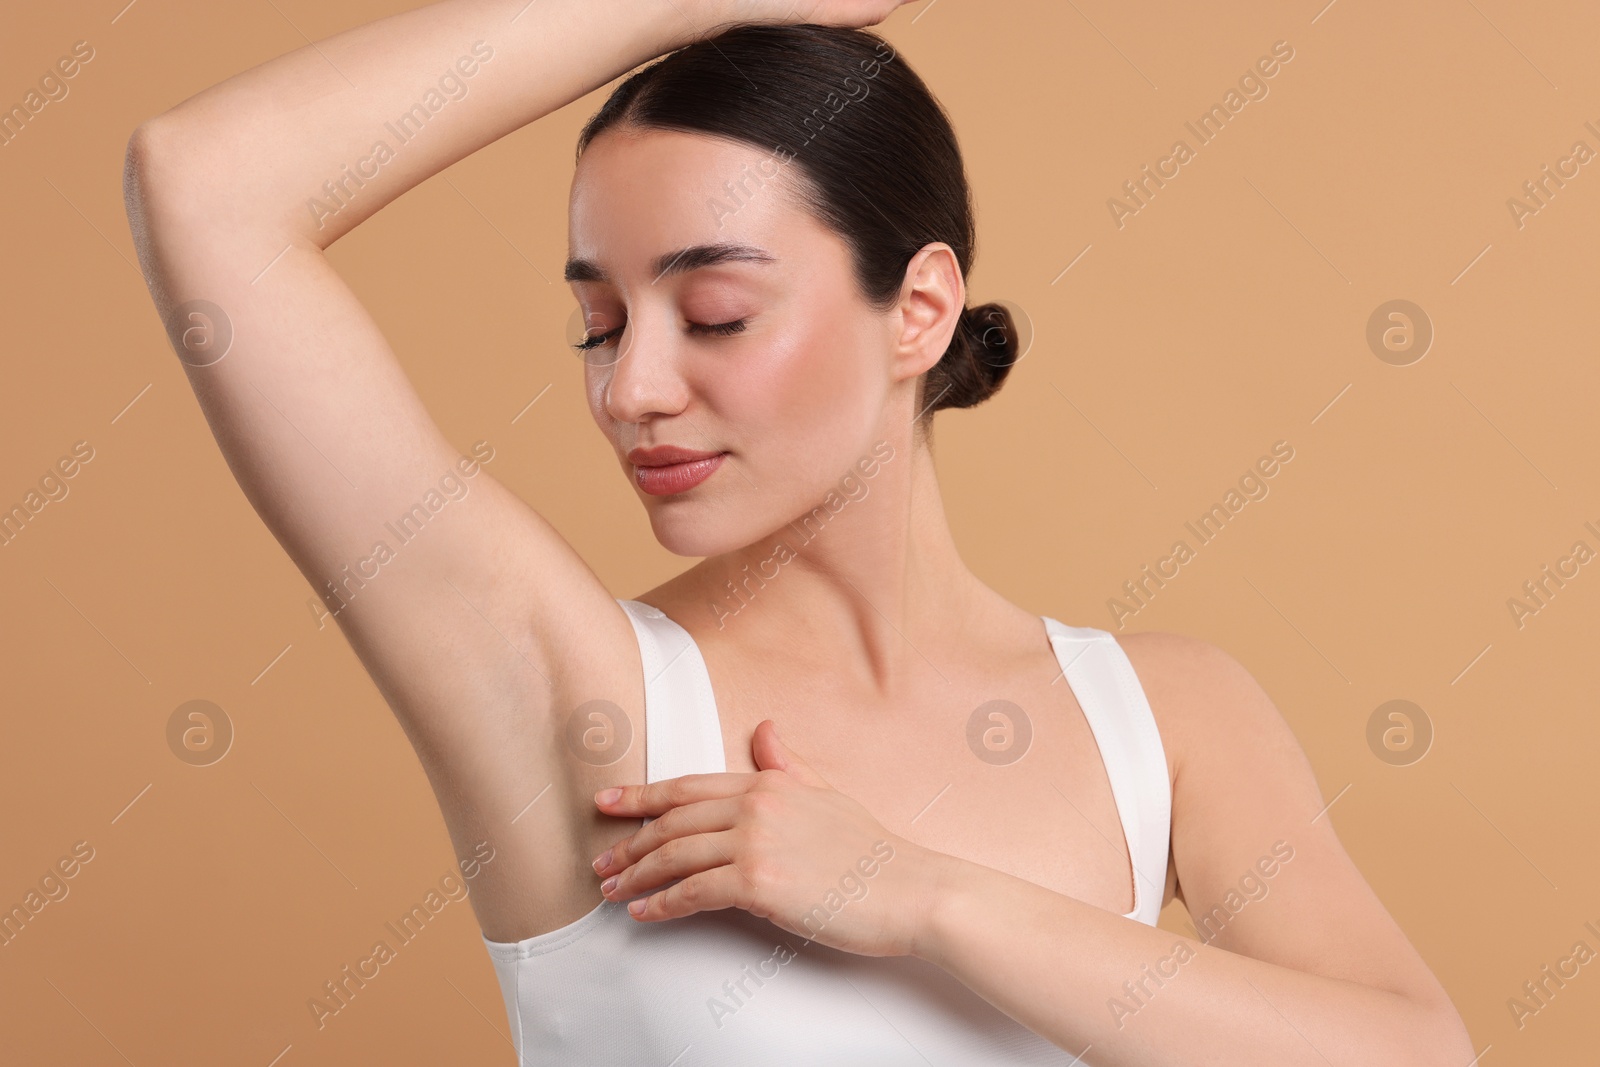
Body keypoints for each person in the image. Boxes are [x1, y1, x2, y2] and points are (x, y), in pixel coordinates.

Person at [123, 0, 1473, 1061]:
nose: (632, 387)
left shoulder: (1165, 715)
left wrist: (919, 893)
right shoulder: (583, 698)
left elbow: (1410, 1054)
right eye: (598, 325)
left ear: (921, 310)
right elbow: (204, 186)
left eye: (713, 313)